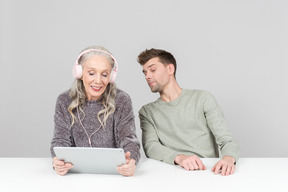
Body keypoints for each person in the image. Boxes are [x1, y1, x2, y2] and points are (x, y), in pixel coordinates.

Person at [137, 48, 240, 176]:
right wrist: (180, 158)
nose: (147, 76)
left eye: (153, 70)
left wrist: (228, 159)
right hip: (171, 172)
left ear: (170, 69)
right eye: (145, 72)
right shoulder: (147, 112)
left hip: (207, 172)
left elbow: (226, 140)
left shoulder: (203, 99)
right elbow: (150, 146)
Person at [50, 46, 140, 176]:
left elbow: (129, 139)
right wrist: (57, 161)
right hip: (75, 175)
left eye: (104, 74)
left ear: (111, 76)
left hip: (113, 174)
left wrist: (131, 161)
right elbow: (60, 140)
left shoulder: (122, 100)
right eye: (91, 73)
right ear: (79, 73)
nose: (98, 81)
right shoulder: (64, 100)